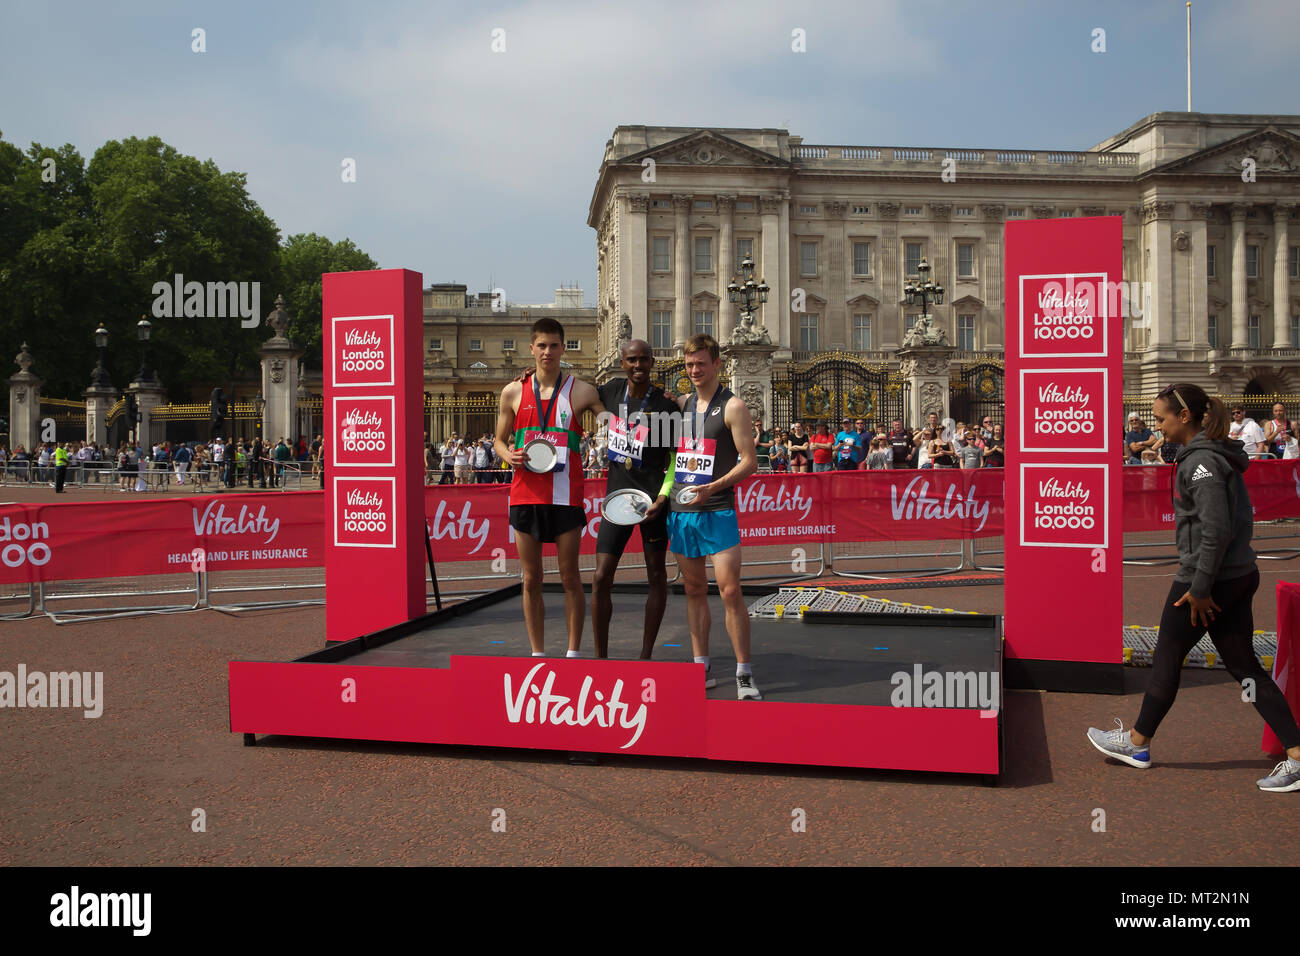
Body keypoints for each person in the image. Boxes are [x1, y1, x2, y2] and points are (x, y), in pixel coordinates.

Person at [1087, 383, 1300, 792]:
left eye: (1163, 418)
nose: (1158, 426)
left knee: (1168, 656)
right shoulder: (1211, 455)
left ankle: (1137, 743)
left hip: (1207, 580)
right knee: (1244, 667)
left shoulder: (1201, 461)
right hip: (1235, 574)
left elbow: (1215, 530)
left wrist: (1200, 588)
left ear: (1184, 417)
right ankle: (1295, 752)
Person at [494, 317, 605, 658]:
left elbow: (607, 421)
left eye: (554, 345)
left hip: (565, 496)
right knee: (531, 579)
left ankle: (572, 652)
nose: (548, 352)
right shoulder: (513, 390)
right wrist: (506, 454)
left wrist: (606, 428)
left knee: (571, 577)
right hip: (525, 494)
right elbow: (499, 440)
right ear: (532, 348)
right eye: (541, 345)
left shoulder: (582, 390)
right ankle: (538, 653)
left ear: (563, 348)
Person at [668, 333, 761, 700]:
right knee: (693, 590)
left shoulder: (733, 406)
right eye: (689, 364)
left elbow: (749, 462)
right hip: (681, 511)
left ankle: (743, 672)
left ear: (716, 364)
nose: (694, 370)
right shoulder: (680, 405)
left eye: (700, 364)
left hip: (717, 509)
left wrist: (714, 487)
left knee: (730, 590)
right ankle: (700, 663)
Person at [588, 339, 679, 659]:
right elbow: (570, 391)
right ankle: (601, 658)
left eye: (643, 359)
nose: (638, 365)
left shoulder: (666, 405)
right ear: (622, 362)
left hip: (653, 503)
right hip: (617, 500)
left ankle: (645, 656)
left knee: (656, 576)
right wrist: (534, 376)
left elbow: (675, 459)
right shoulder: (610, 391)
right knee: (600, 578)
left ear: (652, 362)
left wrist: (664, 497)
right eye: (631, 360)